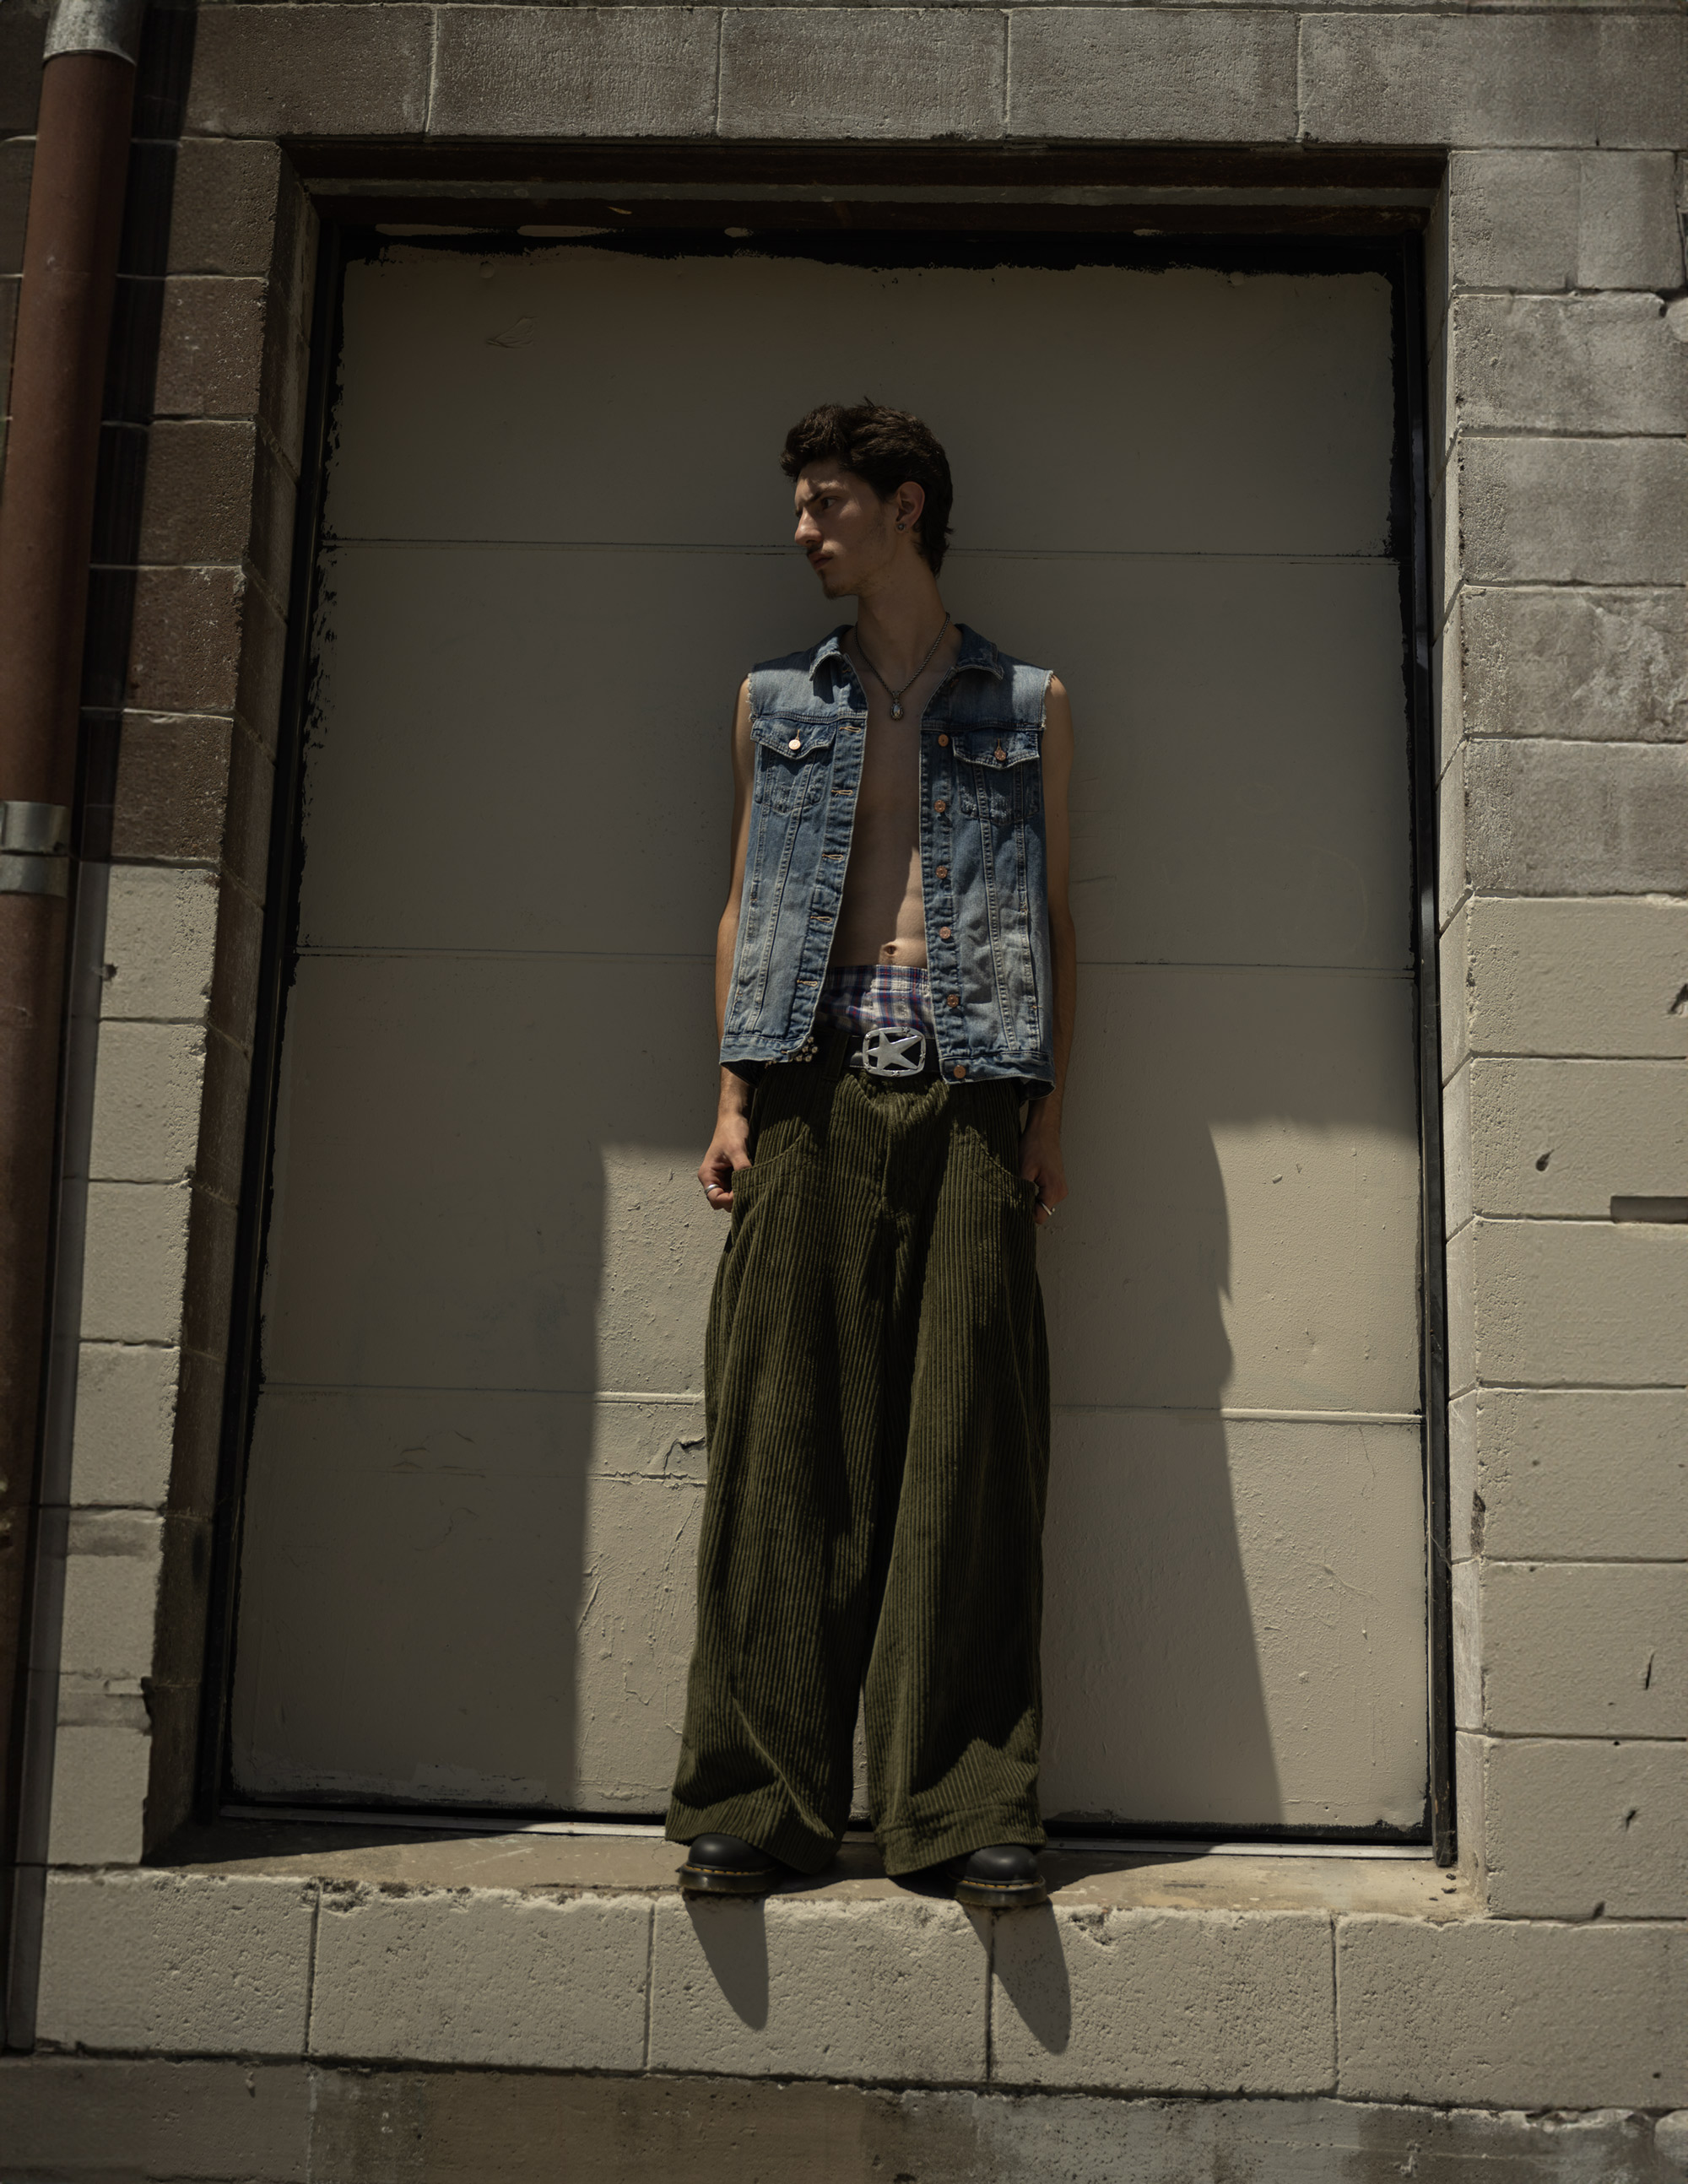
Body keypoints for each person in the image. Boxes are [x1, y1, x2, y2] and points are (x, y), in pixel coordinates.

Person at [665, 402, 1076, 1910]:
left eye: (826, 501)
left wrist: (1046, 1112)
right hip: (806, 1084)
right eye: (801, 503)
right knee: (781, 1443)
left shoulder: (1029, 701)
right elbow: (741, 904)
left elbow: (1056, 911)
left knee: (967, 1453)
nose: (802, 529)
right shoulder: (775, 698)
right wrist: (731, 1096)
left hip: (973, 1089)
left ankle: (961, 1805)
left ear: (906, 507)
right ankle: (755, 1802)